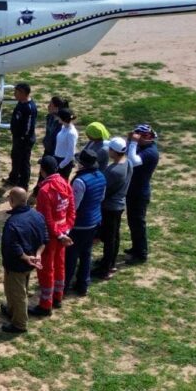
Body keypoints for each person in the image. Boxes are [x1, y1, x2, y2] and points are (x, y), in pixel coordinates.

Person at [29, 156, 75, 316]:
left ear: (42, 170)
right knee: (60, 265)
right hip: (62, 234)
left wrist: (58, 234)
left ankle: (45, 305)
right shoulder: (65, 184)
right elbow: (71, 210)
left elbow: (45, 219)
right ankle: (57, 296)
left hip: (50, 236)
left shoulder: (44, 190)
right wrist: (66, 230)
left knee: (46, 269)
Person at [0, 188, 47, 334]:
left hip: (17, 264)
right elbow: (44, 237)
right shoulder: (37, 215)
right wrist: (38, 255)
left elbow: (13, 247)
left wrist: (26, 258)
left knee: (18, 293)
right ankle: (11, 310)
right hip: (31, 261)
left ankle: (19, 324)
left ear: (12, 201)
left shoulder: (12, 222)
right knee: (14, 289)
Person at [64, 149, 106, 297]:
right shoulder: (101, 176)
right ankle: (83, 285)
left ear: (82, 164)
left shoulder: (80, 181)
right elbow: (101, 197)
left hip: (79, 224)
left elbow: (74, 206)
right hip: (94, 221)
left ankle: (64, 286)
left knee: (71, 256)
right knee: (86, 254)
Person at [94, 137, 133, 280]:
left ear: (114, 152)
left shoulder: (114, 171)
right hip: (119, 205)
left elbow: (104, 191)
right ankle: (110, 262)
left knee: (110, 238)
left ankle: (106, 269)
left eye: (110, 149)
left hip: (110, 207)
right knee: (115, 236)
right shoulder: (128, 163)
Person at [125, 124, 160, 265]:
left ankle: (141, 253)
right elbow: (128, 155)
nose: (137, 138)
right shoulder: (143, 147)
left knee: (138, 223)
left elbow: (133, 161)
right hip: (133, 190)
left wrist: (132, 142)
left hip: (139, 193)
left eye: (140, 136)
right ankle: (136, 248)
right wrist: (130, 142)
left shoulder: (150, 152)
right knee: (133, 222)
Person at [7, 83, 37, 189]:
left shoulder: (29, 107)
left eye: (16, 92)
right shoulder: (20, 103)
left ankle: (24, 184)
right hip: (17, 137)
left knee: (24, 162)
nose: (14, 94)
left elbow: (29, 126)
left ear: (23, 93)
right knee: (15, 157)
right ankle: (13, 178)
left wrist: (23, 138)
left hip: (24, 140)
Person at [54, 108, 78, 180]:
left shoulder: (71, 133)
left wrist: (61, 166)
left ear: (63, 118)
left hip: (64, 162)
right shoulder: (63, 127)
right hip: (58, 158)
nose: (57, 118)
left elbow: (71, 153)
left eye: (58, 116)